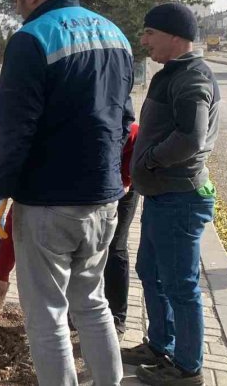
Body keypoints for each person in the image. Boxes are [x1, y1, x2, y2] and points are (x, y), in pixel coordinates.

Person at [0, 0, 135, 386]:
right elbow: (125, 119)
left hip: (49, 203)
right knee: (93, 304)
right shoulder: (116, 35)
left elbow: (15, 129)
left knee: (48, 316)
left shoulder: (31, 39)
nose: (17, 7)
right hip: (104, 199)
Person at [124, 3, 221, 386]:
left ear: (175, 38)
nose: (144, 40)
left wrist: (149, 161)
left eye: (151, 33)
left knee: (180, 284)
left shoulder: (192, 77)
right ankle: (160, 345)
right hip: (162, 196)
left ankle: (187, 368)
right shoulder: (172, 73)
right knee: (150, 271)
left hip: (180, 198)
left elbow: (192, 137)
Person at [105, 123, 141, 335]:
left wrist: (125, 180)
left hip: (125, 182)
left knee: (115, 245)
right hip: (93, 182)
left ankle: (117, 316)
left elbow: (136, 140)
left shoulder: (127, 130)